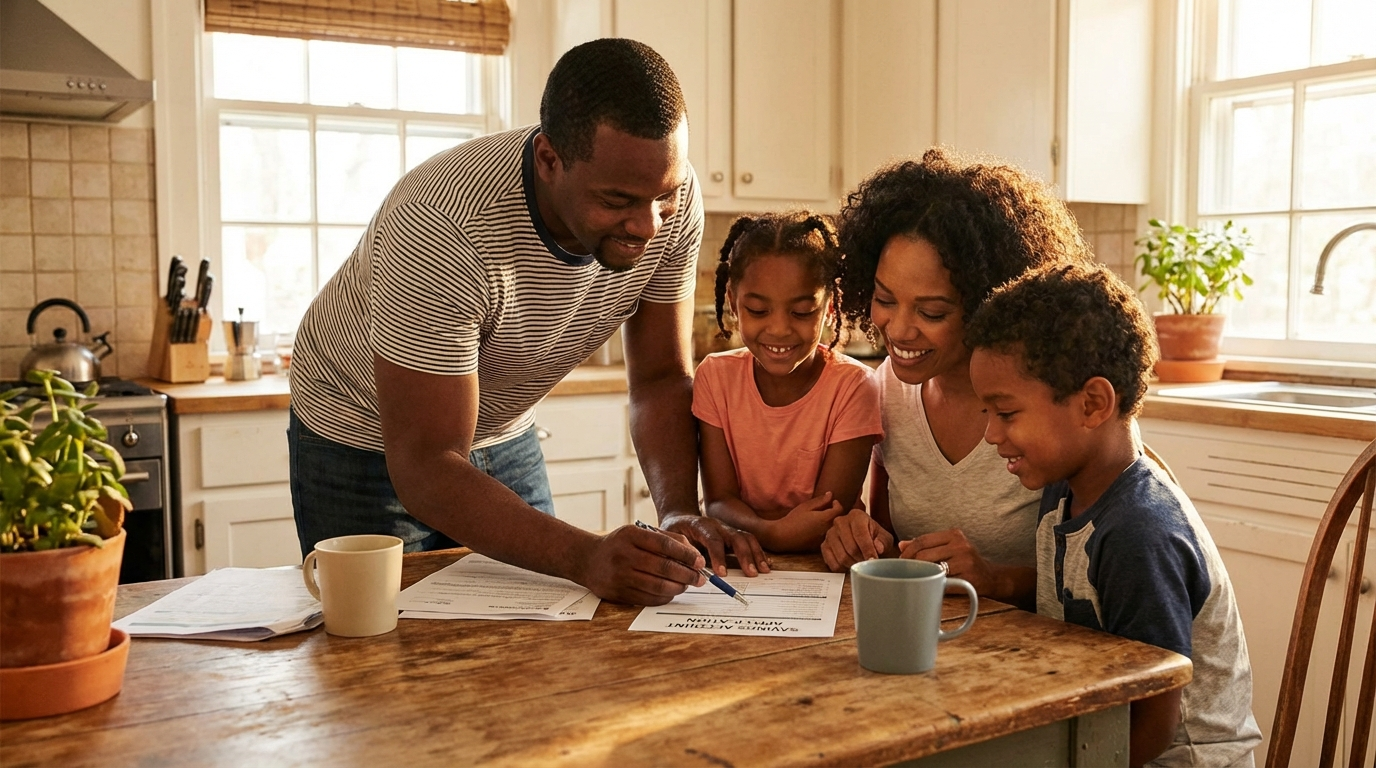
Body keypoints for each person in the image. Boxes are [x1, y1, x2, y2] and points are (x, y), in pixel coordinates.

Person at [287, 38, 768, 607]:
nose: (647, 225)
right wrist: (584, 554)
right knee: (386, 650)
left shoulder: (672, 197)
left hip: (505, 428)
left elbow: (662, 377)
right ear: (548, 159)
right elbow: (424, 464)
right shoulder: (442, 225)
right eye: (617, 200)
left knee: (541, 633)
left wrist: (678, 509)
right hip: (364, 437)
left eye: (661, 198)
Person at [966, 262, 1262, 768]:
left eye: (1007, 413)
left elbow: (1152, 721)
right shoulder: (1064, 487)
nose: (991, 434)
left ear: (1093, 404)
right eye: (985, 413)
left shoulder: (1138, 533)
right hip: (1104, 736)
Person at [820, 149, 1090, 608]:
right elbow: (895, 540)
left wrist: (997, 580)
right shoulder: (885, 390)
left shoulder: (1057, 399)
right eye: (885, 299)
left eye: (932, 311)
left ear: (989, 302)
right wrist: (867, 541)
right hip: (951, 648)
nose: (900, 330)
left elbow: (1106, 574)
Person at [694, 212, 883, 552]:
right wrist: (774, 533)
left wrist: (757, 530)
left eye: (801, 312)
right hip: (745, 564)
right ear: (734, 304)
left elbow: (826, 517)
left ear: (829, 306)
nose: (779, 329)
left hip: (826, 565)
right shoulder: (714, 377)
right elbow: (718, 502)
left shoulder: (853, 387)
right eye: (757, 310)